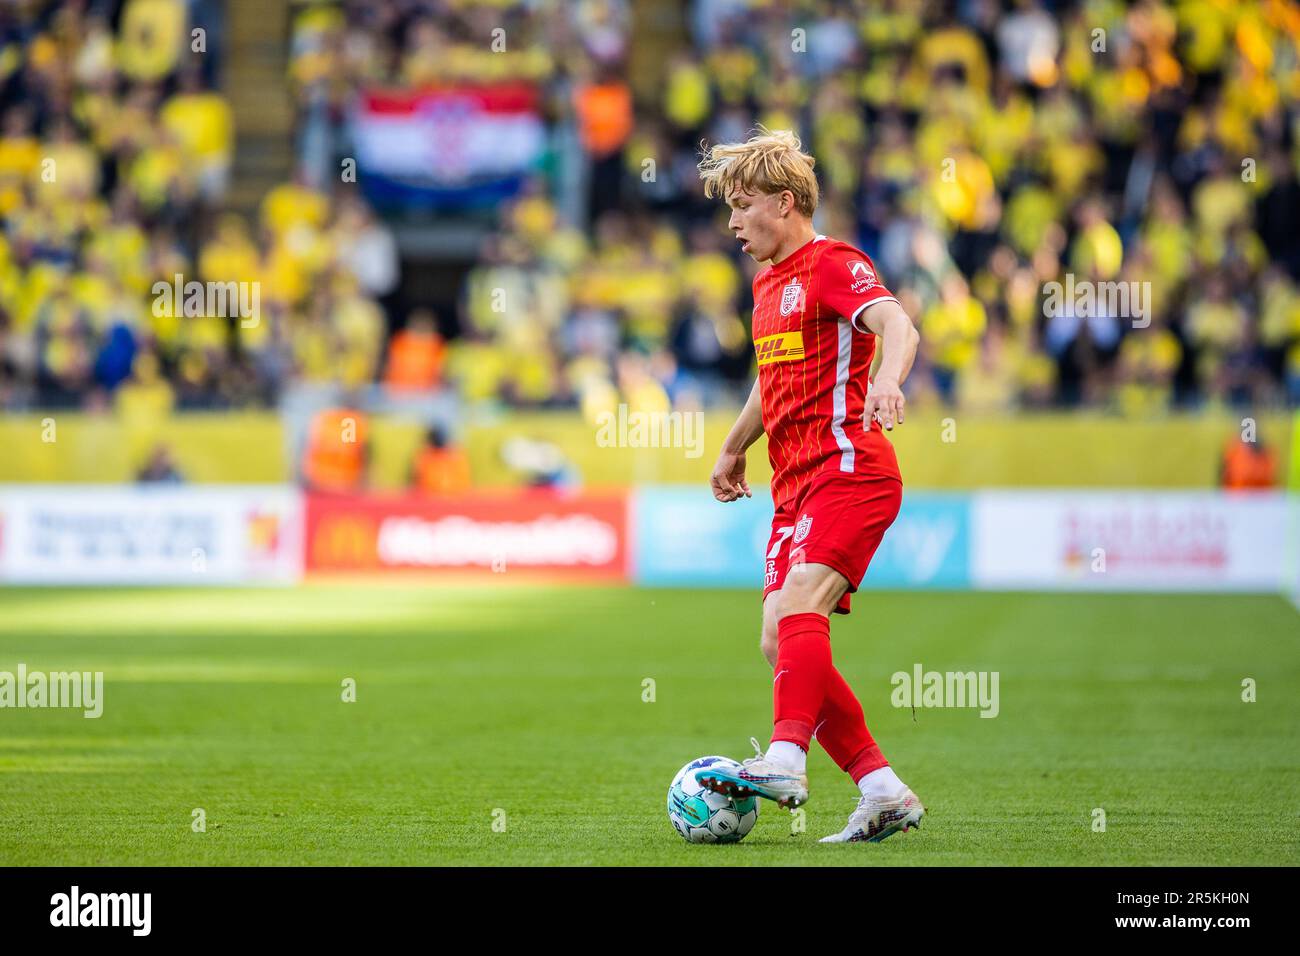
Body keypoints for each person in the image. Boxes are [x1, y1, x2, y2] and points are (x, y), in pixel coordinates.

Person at [694, 128, 924, 843]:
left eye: (742, 205)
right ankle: (882, 789)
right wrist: (733, 448)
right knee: (778, 638)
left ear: (784, 203)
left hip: (848, 466)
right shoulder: (765, 286)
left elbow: (898, 323)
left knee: (799, 606)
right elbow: (773, 381)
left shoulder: (832, 264)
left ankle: (787, 760)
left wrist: (887, 379)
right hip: (793, 485)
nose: (732, 223)